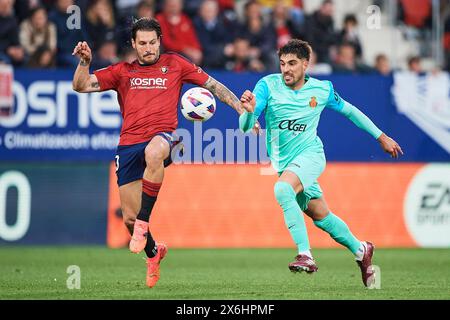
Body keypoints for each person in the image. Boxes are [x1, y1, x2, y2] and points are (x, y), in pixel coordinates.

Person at [72, 18, 257, 288]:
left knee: (155, 152)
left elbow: (214, 87)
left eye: (153, 42)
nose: (148, 48)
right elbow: (80, 85)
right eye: (143, 43)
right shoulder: (122, 72)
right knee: (128, 219)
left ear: (159, 41)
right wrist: (85, 62)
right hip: (128, 145)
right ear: (134, 44)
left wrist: (243, 114)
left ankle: (144, 223)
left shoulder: (176, 64)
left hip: (164, 136)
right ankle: (153, 252)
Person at [239, 39, 403, 287]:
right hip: (285, 164)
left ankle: (305, 254)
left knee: (283, 189)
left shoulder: (322, 89)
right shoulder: (267, 86)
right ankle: (361, 250)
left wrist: (381, 136)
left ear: (306, 64)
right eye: (282, 63)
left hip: (311, 155)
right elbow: (246, 128)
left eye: (292, 63)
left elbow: (350, 111)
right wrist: (249, 112)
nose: (286, 69)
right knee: (320, 215)